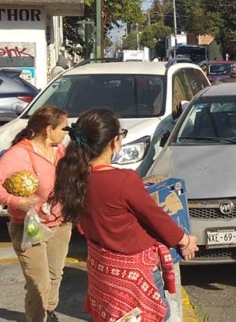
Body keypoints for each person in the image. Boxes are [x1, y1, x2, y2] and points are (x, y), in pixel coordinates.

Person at [48, 108, 199, 322]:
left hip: (103, 269)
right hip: (135, 273)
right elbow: (154, 216)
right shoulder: (124, 180)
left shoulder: (74, 178)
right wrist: (185, 240)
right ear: (113, 142)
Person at [0, 106, 70, 322]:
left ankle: (48, 312)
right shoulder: (19, 154)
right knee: (39, 283)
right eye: (64, 128)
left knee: (54, 276)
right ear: (49, 130)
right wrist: (15, 201)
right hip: (29, 227)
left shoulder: (59, 150)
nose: (66, 132)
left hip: (60, 223)